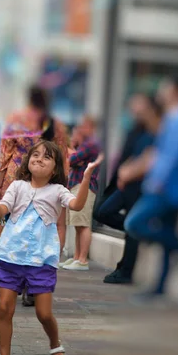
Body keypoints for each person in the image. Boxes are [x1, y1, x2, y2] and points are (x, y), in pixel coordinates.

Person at [0, 140, 103, 355]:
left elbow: (78, 205)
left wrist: (88, 174)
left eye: (47, 157)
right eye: (35, 154)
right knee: (4, 309)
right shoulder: (17, 186)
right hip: (11, 256)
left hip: (41, 260)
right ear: (28, 160)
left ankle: (56, 348)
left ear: (56, 168)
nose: (39, 158)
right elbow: (0, 211)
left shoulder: (58, 191)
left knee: (44, 314)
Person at [0, 85, 68, 305]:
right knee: (42, 230)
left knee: (13, 231)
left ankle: (11, 281)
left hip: (15, 181)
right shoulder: (55, 123)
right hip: (48, 185)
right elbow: (63, 156)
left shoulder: (17, 119)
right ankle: (33, 285)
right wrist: (60, 183)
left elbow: (4, 154)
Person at [124, 77, 178, 300]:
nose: (160, 92)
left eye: (164, 88)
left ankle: (177, 245)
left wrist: (157, 182)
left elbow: (172, 156)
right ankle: (160, 287)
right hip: (167, 186)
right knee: (165, 231)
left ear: (174, 91)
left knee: (134, 223)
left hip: (166, 188)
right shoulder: (173, 119)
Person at [94, 94, 162, 284]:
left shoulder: (153, 130)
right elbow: (131, 154)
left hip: (137, 184)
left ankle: (126, 271)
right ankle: (136, 229)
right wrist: (122, 173)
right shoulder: (137, 128)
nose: (133, 108)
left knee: (129, 226)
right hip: (125, 182)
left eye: (138, 104)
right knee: (102, 212)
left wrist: (128, 173)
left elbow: (149, 158)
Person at [63, 116, 101, 271]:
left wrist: (72, 148)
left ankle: (83, 260)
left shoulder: (91, 144)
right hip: (76, 184)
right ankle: (77, 258)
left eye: (83, 126)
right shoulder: (85, 144)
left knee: (83, 223)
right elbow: (72, 160)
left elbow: (70, 160)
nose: (79, 129)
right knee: (78, 224)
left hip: (84, 186)